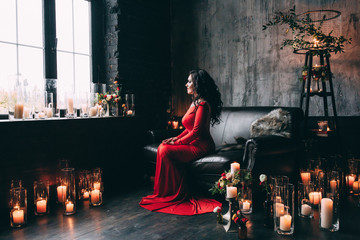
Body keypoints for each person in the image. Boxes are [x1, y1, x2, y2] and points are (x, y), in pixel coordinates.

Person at [139, 69, 223, 215]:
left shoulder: (203, 105)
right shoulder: (194, 103)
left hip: (202, 146)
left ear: (197, 84)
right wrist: (175, 139)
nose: (186, 84)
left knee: (165, 150)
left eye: (189, 81)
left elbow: (197, 132)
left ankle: (173, 193)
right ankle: (168, 192)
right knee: (163, 146)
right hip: (193, 143)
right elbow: (188, 128)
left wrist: (177, 143)